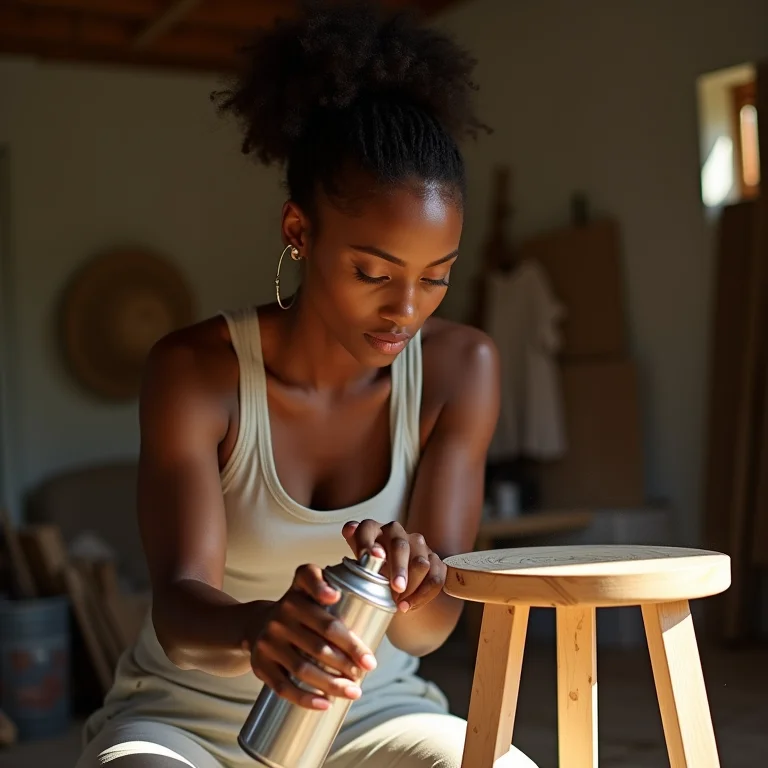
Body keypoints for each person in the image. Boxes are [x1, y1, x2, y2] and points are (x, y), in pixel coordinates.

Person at [76, 2, 538, 766]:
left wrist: (415, 581)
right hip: (185, 723)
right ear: (299, 232)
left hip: (373, 714)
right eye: (372, 272)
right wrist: (258, 629)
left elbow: (426, 632)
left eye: (436, 279)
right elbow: (181, 605)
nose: (405, 309)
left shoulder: (463, 371)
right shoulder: (197, 373)